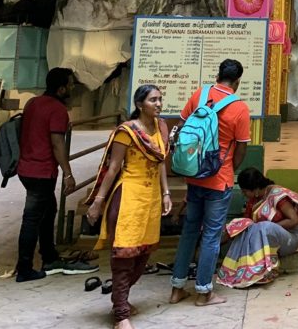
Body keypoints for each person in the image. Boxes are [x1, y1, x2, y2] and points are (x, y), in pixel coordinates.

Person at [86, 85, 172, 329]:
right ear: (139, 104)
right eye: (153, 100)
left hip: (151, 199)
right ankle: (121, 313)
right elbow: (113, 168)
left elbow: (161, 163)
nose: (158, 103)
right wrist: (98, 201)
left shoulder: (161, 127)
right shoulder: (127, 131)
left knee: (143, 254)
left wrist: (166, 193)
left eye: (160, 99)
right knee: (124, 255)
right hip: (129, 197)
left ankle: (120, 299)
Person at [169, 58, 251, 307]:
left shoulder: (200, 94)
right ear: (237, 81)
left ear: (217, 75)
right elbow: (241, 149)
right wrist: (229, 170)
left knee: (189, 230)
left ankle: (176, 288)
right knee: (212, 235)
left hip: (194, 175)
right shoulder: (239, 108)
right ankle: (204, 292)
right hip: (219, 179)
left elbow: (181, 127)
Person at [15, 67, 98, 282]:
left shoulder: (33, 103)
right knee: (32, 218)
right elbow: (57, 143)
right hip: (41, 171)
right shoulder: (57, 110)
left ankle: (49, 256)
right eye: (70, 84)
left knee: (48, 211)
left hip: (26, 168)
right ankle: (24, 268)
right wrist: (68, 173)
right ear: (61, 88)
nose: (72, 87)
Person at [215, 167, 298, 288]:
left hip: (290, 238)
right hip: (267, 236)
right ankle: (247, 271)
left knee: (262, 227)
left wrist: (264, 228)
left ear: (255, 189)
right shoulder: (253, 201)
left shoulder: (276, 194)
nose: (243, 194)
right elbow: (247, 224)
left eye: (245, 191)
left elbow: (293, 220)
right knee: (247, 227)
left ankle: (264, 271)